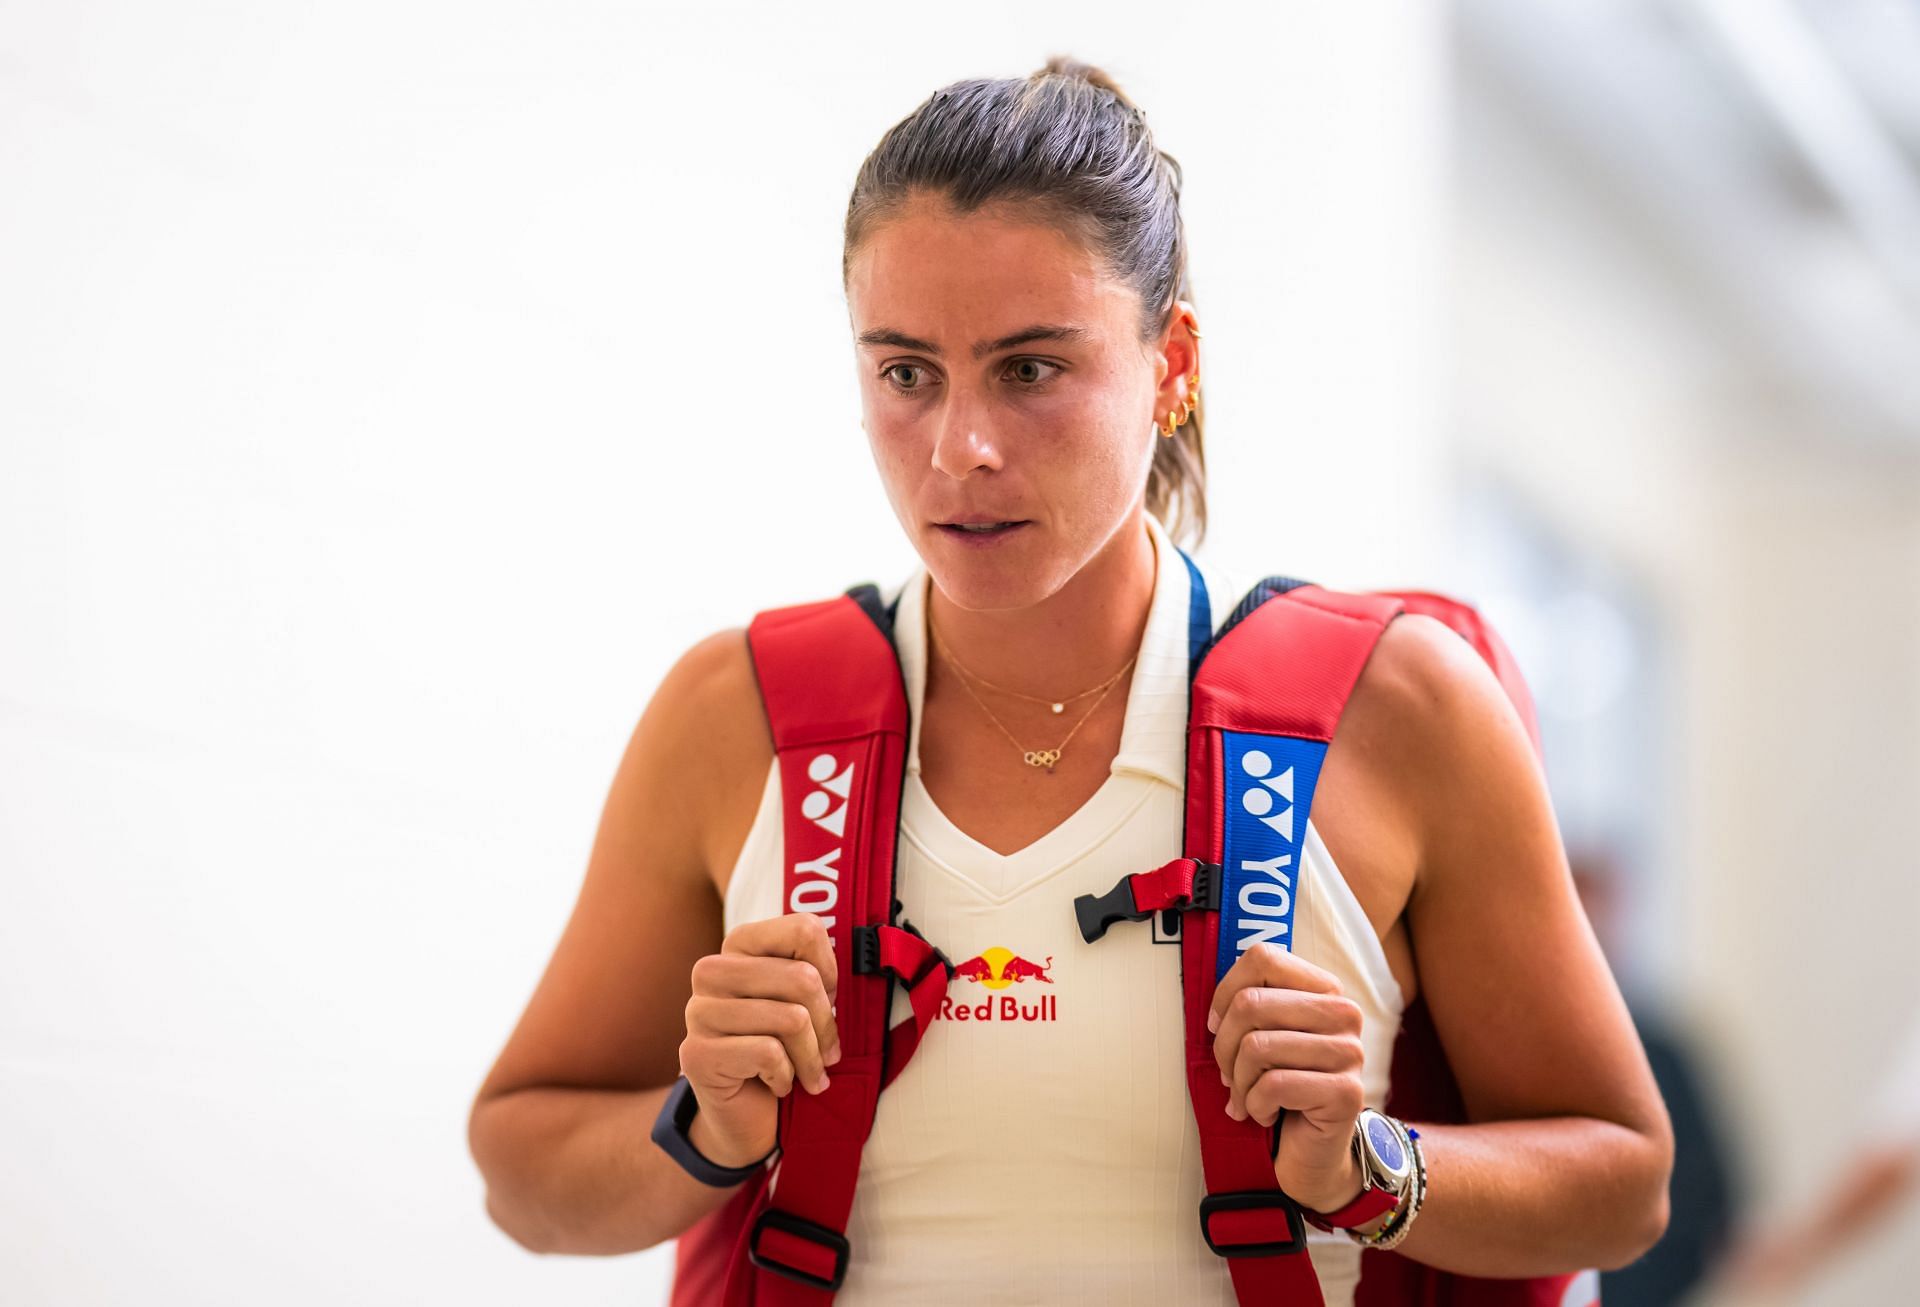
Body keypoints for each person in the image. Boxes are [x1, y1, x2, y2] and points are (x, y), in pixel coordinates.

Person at [465, 56, 1673, 1305]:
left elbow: (1623, 1180)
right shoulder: (740, 715)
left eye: (1031, 369)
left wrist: (1368, 1170)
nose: (962, 447)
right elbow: (523, 1176)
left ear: (1172, 363)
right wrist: (701, 1128)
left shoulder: (1398, 706)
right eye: (905, 373)